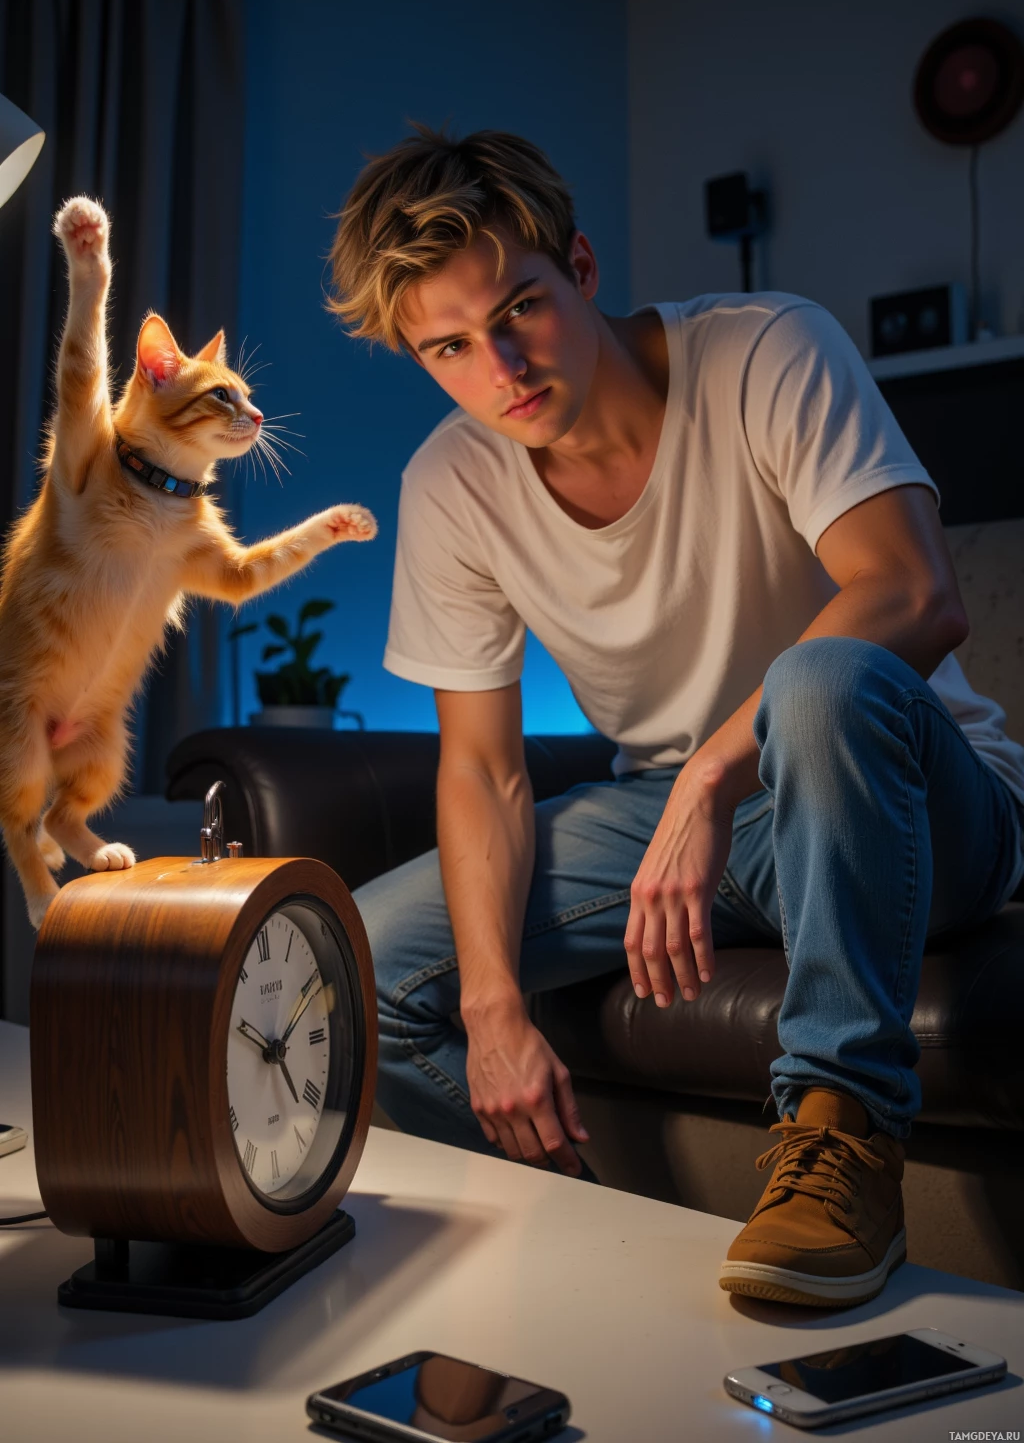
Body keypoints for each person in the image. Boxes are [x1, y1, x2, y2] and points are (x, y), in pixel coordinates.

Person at [330, 126, 1024, 1308]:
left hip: (904, 790)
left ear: (582, 269)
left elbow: (912, 591)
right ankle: (570, 1250)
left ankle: (843, 1145)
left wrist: (708, 777)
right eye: (448, 347)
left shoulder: (766, 351)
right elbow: (482, 772)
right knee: (355, 967)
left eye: (520, 310)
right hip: (674, 816)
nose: (500, 367)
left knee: (818, 681)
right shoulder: (450, 482)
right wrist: (493, 1008)